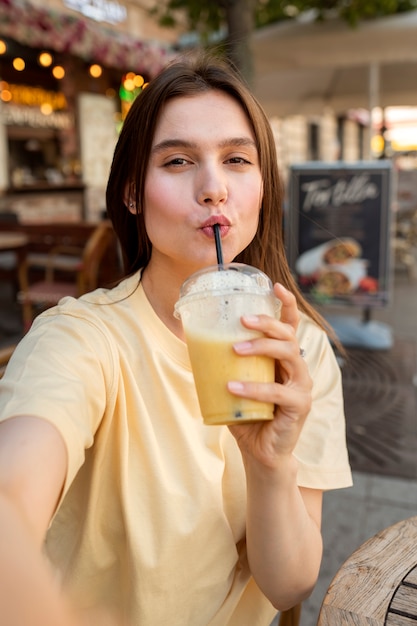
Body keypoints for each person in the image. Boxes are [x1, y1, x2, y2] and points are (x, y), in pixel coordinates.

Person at [0, 53, 352, 626]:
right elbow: (12, 493)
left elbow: (288, 584)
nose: (213, 188)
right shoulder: (82, 339)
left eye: (237, 159)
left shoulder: (301, 349)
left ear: (263, 190)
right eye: (179, 160)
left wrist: (269, 465)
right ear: (133, 194)